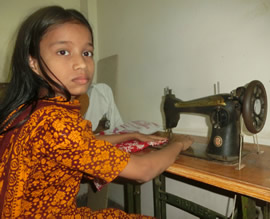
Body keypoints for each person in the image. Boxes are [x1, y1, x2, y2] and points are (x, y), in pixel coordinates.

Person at [0, 5, 194, 218]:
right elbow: (143, 171)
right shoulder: (56, 122)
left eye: (87, 53)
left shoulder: (29, 110)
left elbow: (82, 143)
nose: (81, 63)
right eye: (63, 52)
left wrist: (130, 135)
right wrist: (178, 145)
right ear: (33, 62)